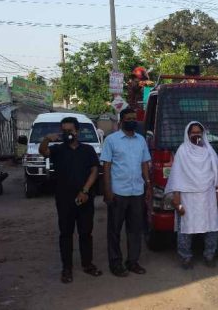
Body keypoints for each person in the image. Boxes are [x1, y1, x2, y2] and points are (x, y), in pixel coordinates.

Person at [38, 117, 102, 283]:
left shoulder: (88, 150)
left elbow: (94, 171)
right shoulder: (58, 150)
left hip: (85, 198)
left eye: (70, 131)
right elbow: (43, 151)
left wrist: (85, 190)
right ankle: (67, 269)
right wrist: (46, 139)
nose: (68, 134)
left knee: (86, 233)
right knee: (66, 234)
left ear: (77, 131)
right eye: (64, 131)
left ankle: (87, 264)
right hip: (64, 199)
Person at [101, 108, 152, 277]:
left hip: (137, 191)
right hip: (118, 192)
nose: (132, 121)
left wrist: (148, 183)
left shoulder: (141, 140)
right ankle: (115, 263)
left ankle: (132, 262)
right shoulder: (111, 140)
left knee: (135, 230)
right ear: (121, 121)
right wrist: (107, 191)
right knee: (114, 230)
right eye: (129, 118)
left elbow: (145, 163)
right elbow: (106, 166)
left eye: (134, 118)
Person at [165, 121, 218, 270]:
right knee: (186, 228)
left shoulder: (209, 150)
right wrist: (177, 198)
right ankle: (186, 257)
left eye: (199, 132)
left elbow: (216, 173)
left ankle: (209, 255)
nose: (196, 135)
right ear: (188, 134)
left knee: (212, 227)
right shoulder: (182, 151)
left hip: (208, 195)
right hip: (187, 197)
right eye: (193, 133)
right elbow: (177, 175)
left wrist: (217, 192)